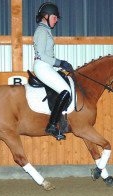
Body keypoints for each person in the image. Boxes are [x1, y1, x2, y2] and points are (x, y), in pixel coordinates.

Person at [33, 2, 72, 140]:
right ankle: (51, 125)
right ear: (46, 16)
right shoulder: (42, 31)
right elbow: (42, 55)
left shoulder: (46, 31)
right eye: (55, 17)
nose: (56, 20)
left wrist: (59, 66)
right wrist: (59, 62)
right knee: (66, 91)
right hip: (42, 66)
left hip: (47, 66)